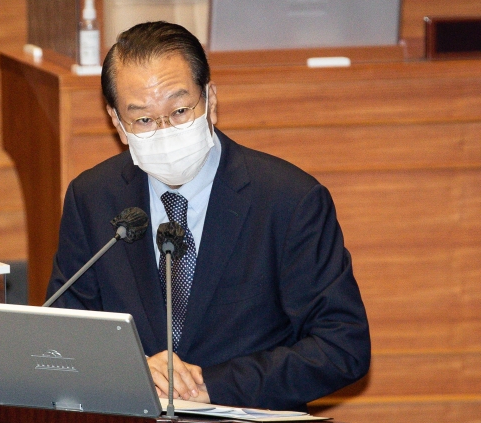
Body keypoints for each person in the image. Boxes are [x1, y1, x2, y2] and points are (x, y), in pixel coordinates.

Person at [47, 21, 370, 412]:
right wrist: (132, 369)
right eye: (144, 120)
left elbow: (341, 346)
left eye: (180, 110)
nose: (164, 130)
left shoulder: (288, 200)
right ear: (117, 122)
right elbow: (63, 334)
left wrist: (209, 384)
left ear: (211, 100)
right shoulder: (93, 198)